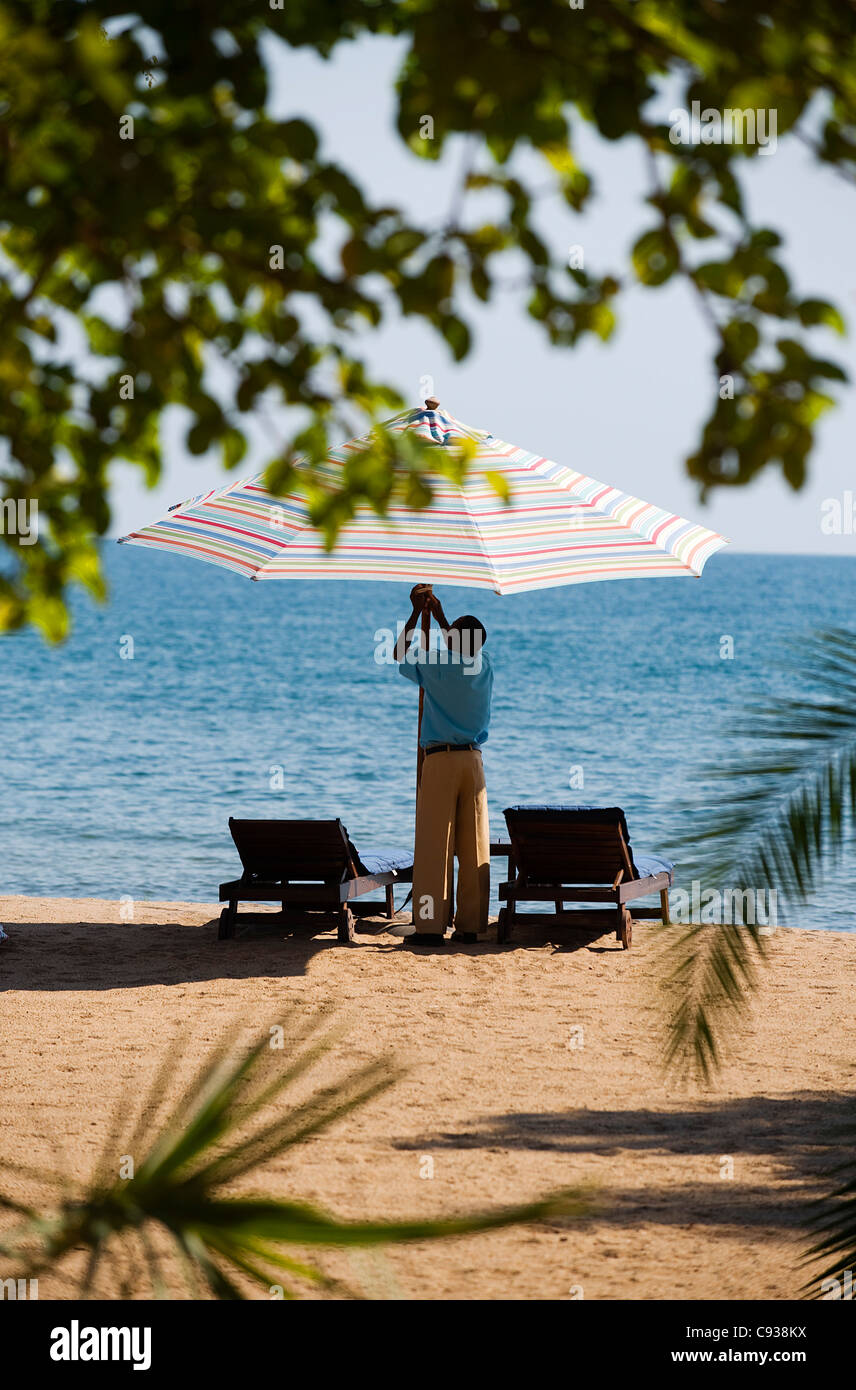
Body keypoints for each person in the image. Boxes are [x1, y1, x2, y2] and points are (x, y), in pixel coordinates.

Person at [393, 584, 493, 944]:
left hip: (440, 761)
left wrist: (416, 614)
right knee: (473, 846)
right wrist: (440, 618)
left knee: (434, 847)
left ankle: (430, 926)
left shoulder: (435, 664)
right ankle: (470, 925)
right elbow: (462, 645)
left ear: (453, 639)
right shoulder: (484, 668)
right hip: (474, 762)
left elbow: (398, 652)